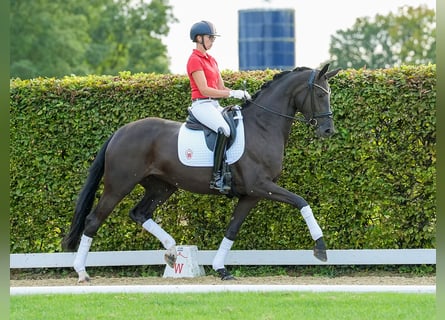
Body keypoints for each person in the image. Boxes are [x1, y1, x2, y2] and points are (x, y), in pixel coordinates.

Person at [187, 20, 251, 194]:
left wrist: (240, 94)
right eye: (210, 37)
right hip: (202, 104)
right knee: (224, 129)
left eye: (213, 38)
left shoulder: (212, 60)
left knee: (234, 124)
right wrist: (231, 94)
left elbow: (221, 88)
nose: (212, 41)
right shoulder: (194, 60)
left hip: (214, 104)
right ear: (199, 38)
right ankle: (217, 176)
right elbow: (205, 89)